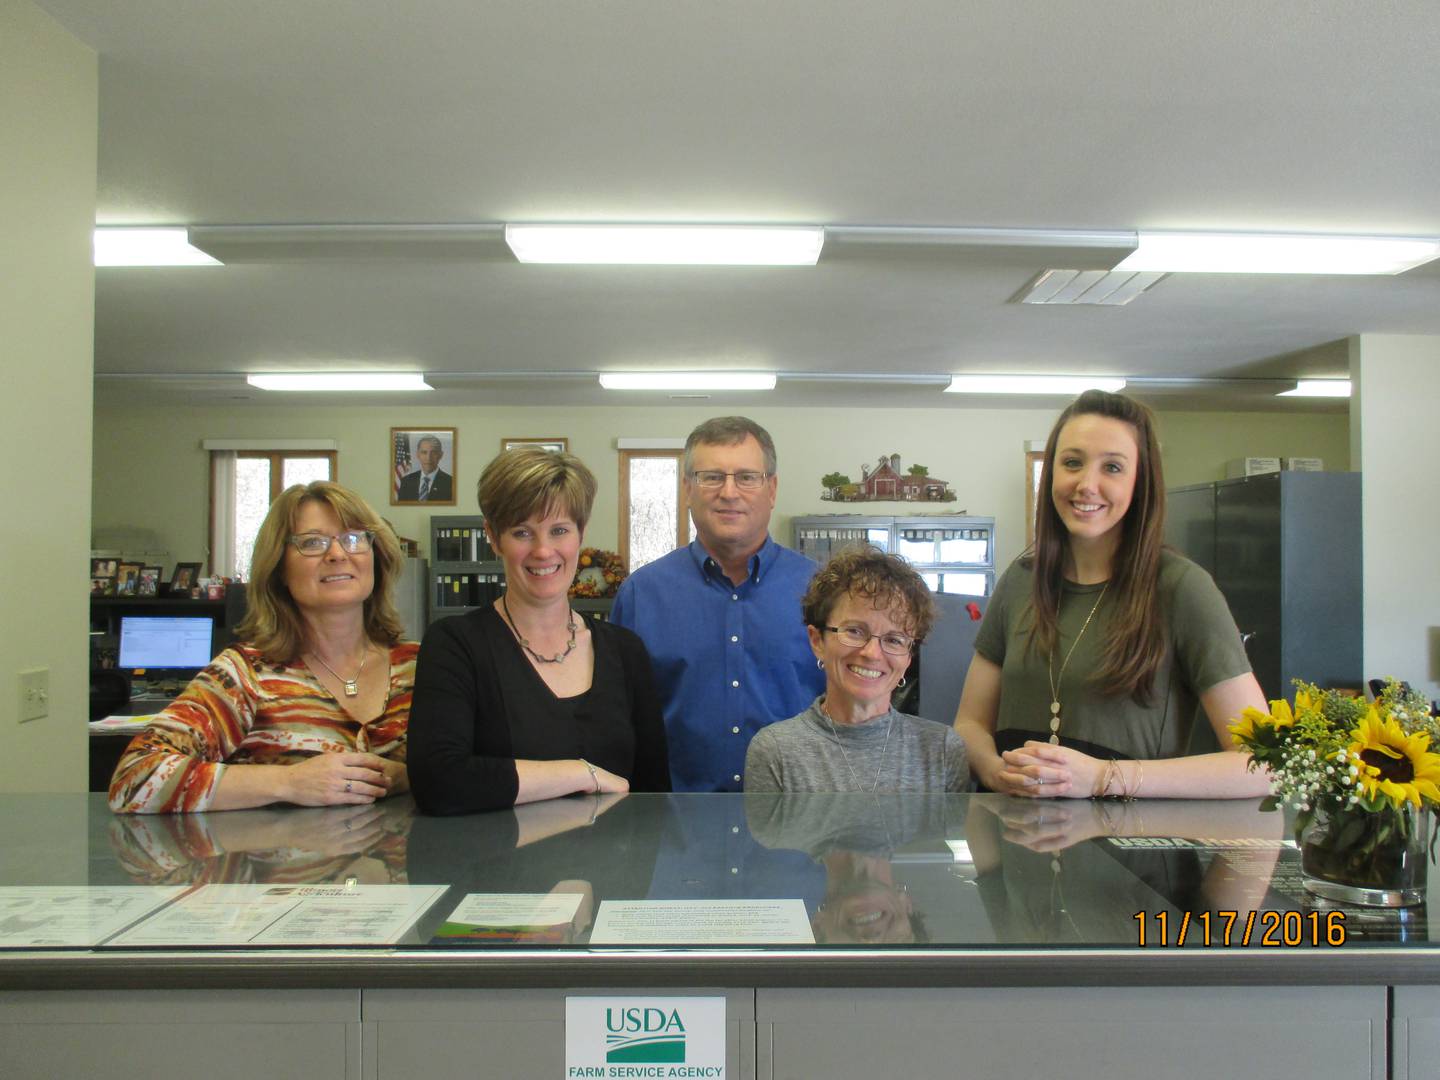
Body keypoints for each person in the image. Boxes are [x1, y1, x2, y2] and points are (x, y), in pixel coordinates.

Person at [953, 390, 1271, 799]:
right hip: (1017, 842)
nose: (1087, 484)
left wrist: (1105, 777)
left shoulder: (1182, 589)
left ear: (1141, 483)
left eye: (1113, 467)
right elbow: (969, 724)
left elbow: (1261, 764)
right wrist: (996, 772)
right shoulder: (1021, 580)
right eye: (1072, 463)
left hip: (1128, 852)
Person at [109, 481, 415, 813]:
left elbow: (470, 770)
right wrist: (289, 782)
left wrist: (409, 776)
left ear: (376, 557)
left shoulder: (421, 666)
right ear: (279, 568)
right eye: (312, 542)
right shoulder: (245, 674)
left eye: (353, 539)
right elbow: (135, 779)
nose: (338, 554)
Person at [407, 447, 670, 814]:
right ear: (493, 537)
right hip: (494, 869)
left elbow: (653, 793)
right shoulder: (455, 646)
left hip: (614, 868)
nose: (544, 551)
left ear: (581, 534)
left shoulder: (626, 651)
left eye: (559, 530)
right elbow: (438, 781)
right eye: (522, 532)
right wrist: (581, 774)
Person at [611, 416, 825, 792]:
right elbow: (617, 722)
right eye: (712, 477)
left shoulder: (822, 592)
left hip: (796, 829)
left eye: (746, 477)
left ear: (771, 489)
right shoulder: (641, 595)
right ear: (687, 489)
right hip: (675, 834)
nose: (729, 492)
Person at [745, 546, 968, 793]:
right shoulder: (776, 752)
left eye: (894, 640)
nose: (872, 653)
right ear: (817, 640)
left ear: (909, 657)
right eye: (854, 631)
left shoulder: (943, 751)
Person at [396, 434, 454, 501]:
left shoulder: (451, 483)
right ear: (418, 454)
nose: (428, 458)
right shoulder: (406, 482)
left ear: (440, 455)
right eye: (424, 452)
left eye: (433, 452)